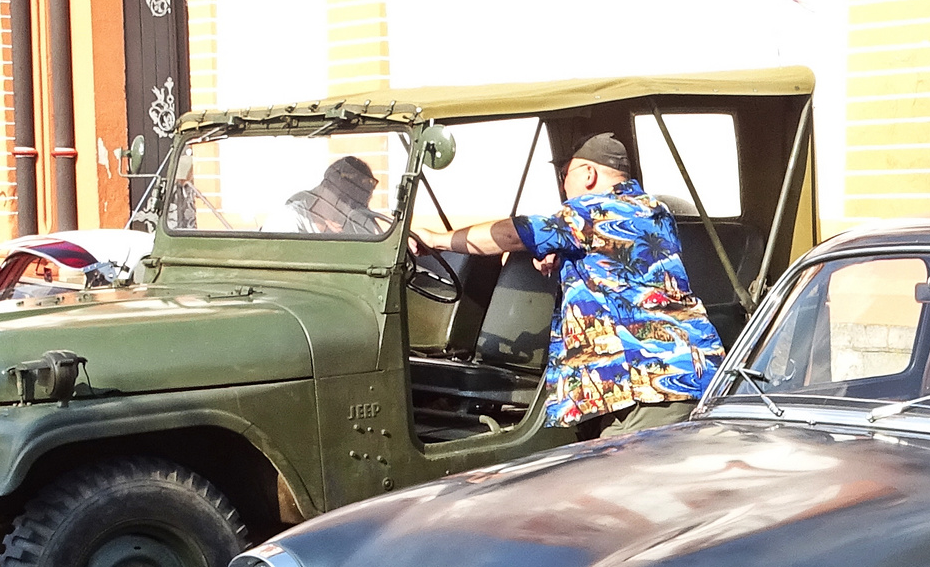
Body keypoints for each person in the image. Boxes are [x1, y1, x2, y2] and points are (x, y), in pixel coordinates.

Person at [412, 133, 723, 438]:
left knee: (623, 480)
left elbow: (510, 235)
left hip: (645, 384)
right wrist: (564, 255)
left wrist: (436, 240)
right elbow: (621, 260)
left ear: (588, 174)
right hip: (684, 371)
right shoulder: (654, 210)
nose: (563, 185)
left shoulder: (588, 209)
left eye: (565, 174)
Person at [271, 155, 380, 234]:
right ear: (322, 190)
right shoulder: (290, 219)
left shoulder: (359, 224)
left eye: (355, 205)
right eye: (342, 200)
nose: (346, 210)